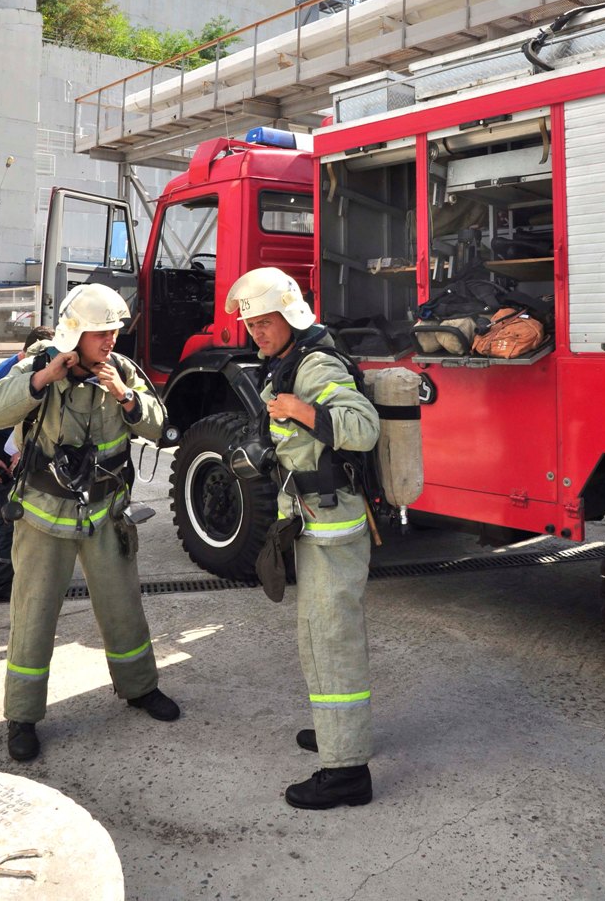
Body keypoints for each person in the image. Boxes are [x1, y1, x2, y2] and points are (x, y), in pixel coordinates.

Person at [0, 283, 180, 762]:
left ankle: (140, 689)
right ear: (75, 333)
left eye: (114, 331)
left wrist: (126, 396)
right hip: (44, 520)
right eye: (100, 333)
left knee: (123, 606)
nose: (110, 340)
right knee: (33, 615)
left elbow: (160, 427)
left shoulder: (121, 372)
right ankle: (22, 716)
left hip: (106, 516)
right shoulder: (39, 368)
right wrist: (43, 377)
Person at [224, 267, 381, 810]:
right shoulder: (287, 360)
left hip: (332, 527)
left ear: (289, 315)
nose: (257, 333)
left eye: (265, 321)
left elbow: (362, 430)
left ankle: (346, 773)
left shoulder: (315, 365)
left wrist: (299, 410)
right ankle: (338, 732)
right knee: (317, 635)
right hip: (312, 520)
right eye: (251, 324)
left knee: (329, 636)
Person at [0, 325, 54, 602]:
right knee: (8, 518)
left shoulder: (44, 370)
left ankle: (27, 574)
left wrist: (23, 451)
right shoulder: (4, 375)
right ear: (23, 354)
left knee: (29, 516)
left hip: (14, 449)